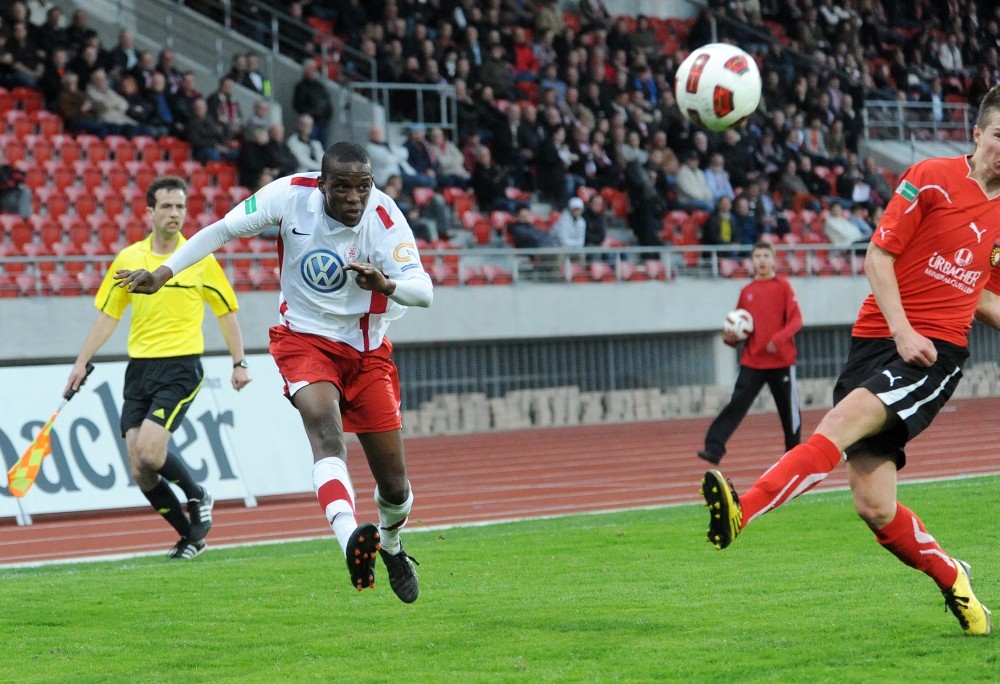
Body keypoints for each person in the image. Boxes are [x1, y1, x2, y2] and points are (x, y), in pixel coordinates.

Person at [699, 86, 1000, 637]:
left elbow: (984, 293)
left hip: (933, 353)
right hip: (878, 341)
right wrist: (900, 329)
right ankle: (953, 576)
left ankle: (744, 510)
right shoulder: (931, 177)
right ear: (978, 134)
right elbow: (878, 257)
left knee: (837, 424)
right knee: (874, 506)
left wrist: (913, 336)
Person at [114, 142, 432, 604]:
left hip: (366, 353)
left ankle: (392, 545)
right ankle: (350, 539)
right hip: (304, 339)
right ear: (321, 185)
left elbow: (424, 291)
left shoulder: (384, 219)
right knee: (325, 432)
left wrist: (387, 284)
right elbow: (221, 230)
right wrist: (164, 272)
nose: (354, 198)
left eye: (363, 186)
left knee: (396, 489)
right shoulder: (288, 196)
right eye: (342, 187)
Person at [64, 176, 252, 560]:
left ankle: (198, 494)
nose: (174, 213)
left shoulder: (198, 258)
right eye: (166, 206)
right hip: (139, 369)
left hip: (181, 366)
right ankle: (190, 537)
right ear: (149, 211)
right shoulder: (129, 259)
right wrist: (82, 362)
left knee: (150, 451)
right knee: (140, 468)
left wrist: (239, 363)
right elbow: (108, 315)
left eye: (180, 206)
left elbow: (226, 312)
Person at [698, 241, 802, 465]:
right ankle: (713, 447)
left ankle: (794, 456)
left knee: (789, 412)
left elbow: (796, 320)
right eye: (757, 256)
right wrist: (730, 338)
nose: (761, 260)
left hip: (782, 361)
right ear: (752, 261)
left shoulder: (783, 286)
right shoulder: (746, 292)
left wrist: (779, 339)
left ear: (774, 260)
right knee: (736, 403)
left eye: (766, 256)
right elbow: (739, 327)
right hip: (753, 361)